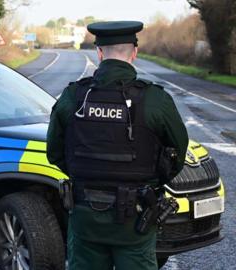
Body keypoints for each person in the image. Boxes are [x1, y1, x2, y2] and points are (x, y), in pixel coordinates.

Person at [47, 21, 189, 270]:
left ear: (99, 53)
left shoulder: (73, 96)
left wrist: (87, 175)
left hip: (85, 217)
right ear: (134, 53)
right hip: (135, 222)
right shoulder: (155, 99)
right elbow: (177, 152)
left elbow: (54, 152)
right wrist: (150, 183)